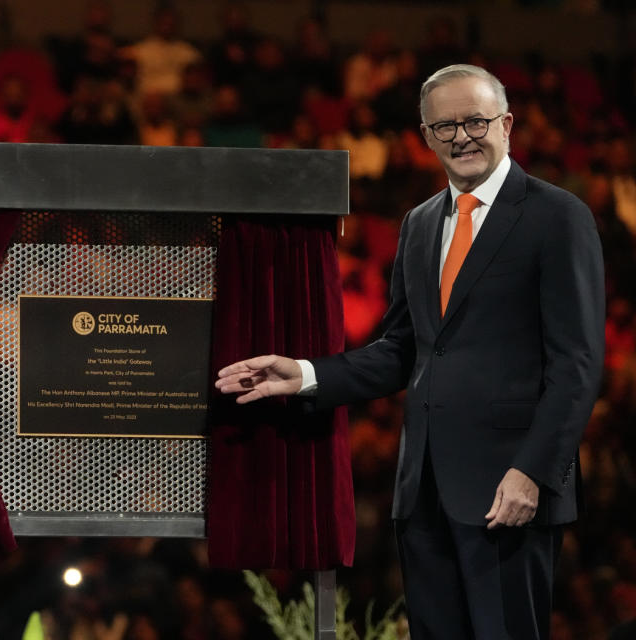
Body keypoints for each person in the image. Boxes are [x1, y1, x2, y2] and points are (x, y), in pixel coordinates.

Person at [216, 64, 604, 640]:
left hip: (509, 491)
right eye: (444, 126)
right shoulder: (421, 224)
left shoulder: (557, 215)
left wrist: (533, 473)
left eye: (475, 121)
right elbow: (403, 349)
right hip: (423, 497)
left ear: (507, 124)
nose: (461, 137)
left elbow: (576, 364)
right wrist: (303, 374)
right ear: (425, 136)